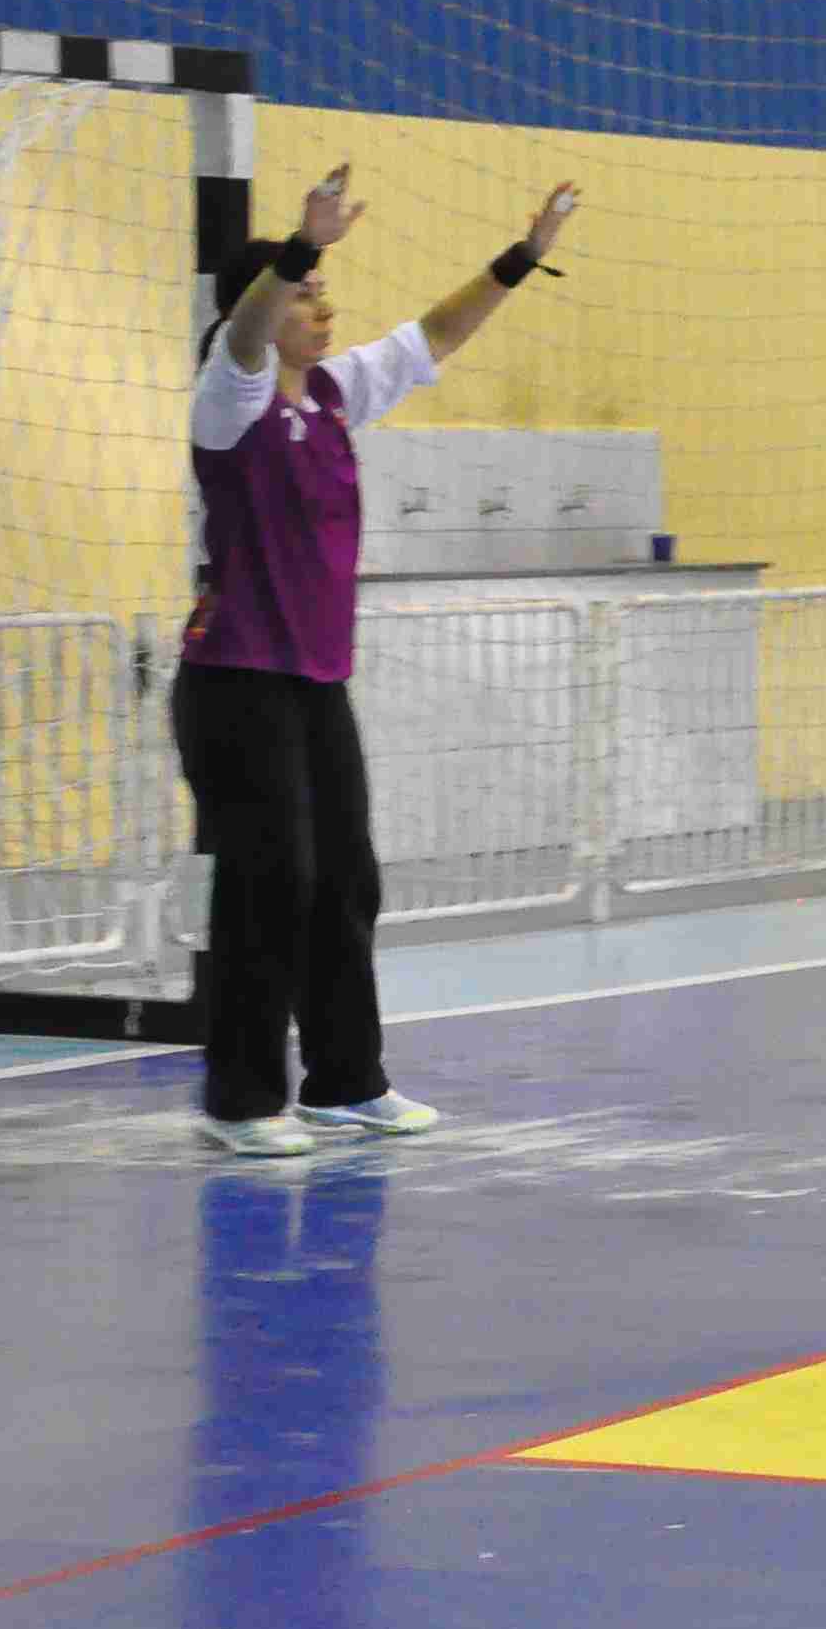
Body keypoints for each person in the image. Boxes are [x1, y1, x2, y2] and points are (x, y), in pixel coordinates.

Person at [179, 163, 582, 1156]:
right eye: (305, 295)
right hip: (235, 680)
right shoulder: (229, 398)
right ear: (263, 308)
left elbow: (434, 335)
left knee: (345, 878)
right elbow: (242, 334)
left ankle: (345, 1082)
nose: (322, 305)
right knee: (269, 879)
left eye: (318, 291)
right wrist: (300, 247)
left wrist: (521, 260)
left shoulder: (332, 394)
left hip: (313, 679)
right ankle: (239, 1099)